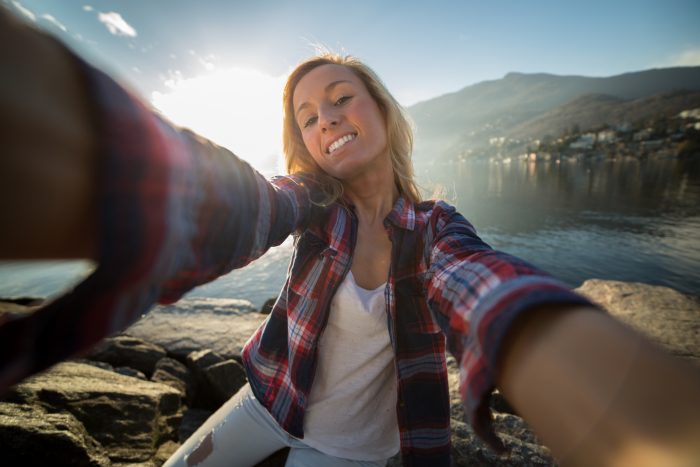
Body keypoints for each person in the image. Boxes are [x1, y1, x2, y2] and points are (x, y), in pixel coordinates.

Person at [1, 8, 700, 467]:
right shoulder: (311, 204)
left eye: (341, 98)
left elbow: (483, 286)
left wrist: (630, 408)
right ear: (302, 143)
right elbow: (243, 205)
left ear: (383, 114)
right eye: (308, 115)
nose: (326, 117)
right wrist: (101, 164)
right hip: (269, 400)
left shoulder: (433, 230)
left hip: (352, 450)